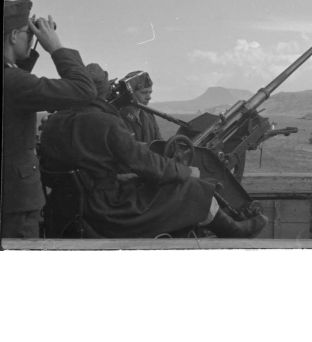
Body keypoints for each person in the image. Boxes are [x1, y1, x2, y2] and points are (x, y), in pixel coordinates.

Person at [39, 63, 268, 238]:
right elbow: (145, 163)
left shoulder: (54, 123)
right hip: (106, 210)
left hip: (67, 209)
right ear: (100, 92)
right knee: (192, 187)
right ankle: (235, 230)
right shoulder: (105, 123)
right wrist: (187, 172)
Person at [2, 0, 97, 238]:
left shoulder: (12, 79)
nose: (30, 37)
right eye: (27, 33)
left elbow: (18, 81)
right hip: (16, 205)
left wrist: (28, 48)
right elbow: (84, 90)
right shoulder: (13, 82)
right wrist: (56, 47)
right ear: (14, 35)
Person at [118, 70, 162, 144]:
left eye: (150, 92)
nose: (149, 97)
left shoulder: (149, 115)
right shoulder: (119, 117)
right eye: (144, 92)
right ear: (130, 94)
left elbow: (159, 143)